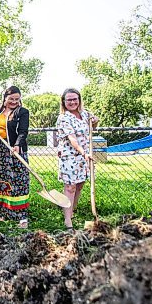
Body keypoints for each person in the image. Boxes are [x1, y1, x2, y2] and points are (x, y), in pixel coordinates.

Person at [0, 86, 30, 228]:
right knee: (0, 180)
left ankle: (21, 215)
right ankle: (1, 212)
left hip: (14, 150)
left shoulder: (22, 112)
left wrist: (17, 145)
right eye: (11, 99)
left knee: (17, 181)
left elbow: (23, 131)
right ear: (5, 98)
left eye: (17, 99)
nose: (14, 102)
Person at [56, 88, 99, 230]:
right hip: (70, 156)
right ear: (64, 102)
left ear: (79, 100)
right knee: (70, 186)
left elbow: (91, 128)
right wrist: (83, 152)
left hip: (85, 155)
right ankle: (67, 220)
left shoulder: (85, 114)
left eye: (75, 99)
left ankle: (72, 210)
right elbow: (72, 139)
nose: (72, 102)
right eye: (69, 99)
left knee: (80, 184)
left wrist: (95, 122)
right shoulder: (64, 118)